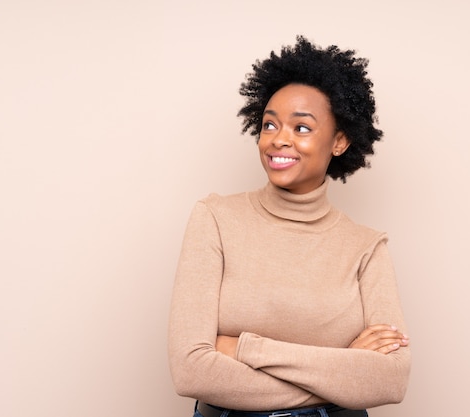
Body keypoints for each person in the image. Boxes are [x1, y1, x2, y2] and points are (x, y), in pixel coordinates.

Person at [168, 36, 411, 417]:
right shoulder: (214, 219)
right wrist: (341, 372)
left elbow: (390, 380)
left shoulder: (366, 247)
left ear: (340, 141)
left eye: (301, 128)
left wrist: (245, 348)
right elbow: (190, 372)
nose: (279, 139)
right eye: (269, 124)